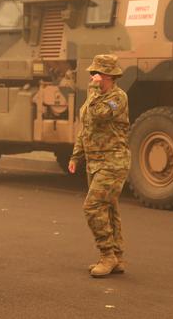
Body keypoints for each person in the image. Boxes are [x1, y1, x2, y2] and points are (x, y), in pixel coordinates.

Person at [68, 54, 131, 278]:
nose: (92, 77)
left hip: (113, 161)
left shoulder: (117, 98)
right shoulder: (94, 97)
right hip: (94, 162)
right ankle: (117, 257)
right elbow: (85, 127)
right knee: (108, 208)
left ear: (108, 76)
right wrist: (76, 156)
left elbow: (101, 115)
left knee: (92, 207)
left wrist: (93, 92)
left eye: (96, 73)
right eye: (92, 73)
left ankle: (107, 255)